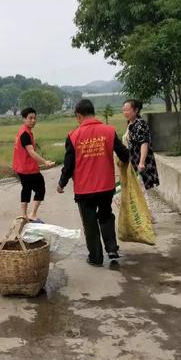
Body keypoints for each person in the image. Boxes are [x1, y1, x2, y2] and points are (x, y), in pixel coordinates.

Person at [57, 99, 129, 266]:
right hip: (106, 186)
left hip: (84, 190)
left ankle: (96, 258)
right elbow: (124, 154)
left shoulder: (73, 136)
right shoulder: (109, 131)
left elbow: (68, 165)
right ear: (93, 112)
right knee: (105, 216)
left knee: (90, 222)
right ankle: (111, 248)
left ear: (79, 116)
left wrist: (61, 183)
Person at [12, 106, 55, 222]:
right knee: (40, 189)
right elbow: (31, 152)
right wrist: (45, 161)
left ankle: (23, 215)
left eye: (34, 118)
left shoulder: (22, 132)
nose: (33, 120)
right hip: (28, 169)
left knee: (26, 189)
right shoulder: (25, 134)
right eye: (30, 118)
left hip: (21, 168)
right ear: (24, 119)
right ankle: (32, 214)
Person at [122, 99, 160, 191]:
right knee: (136, 192)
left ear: (136, 110)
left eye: (127, 110)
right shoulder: (130, 124)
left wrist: (142, 163)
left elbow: (144, 143)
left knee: (142, 194)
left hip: (141, 164)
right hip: (133, 162)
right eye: (123, 110)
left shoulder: (140, 124)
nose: (125, 112)